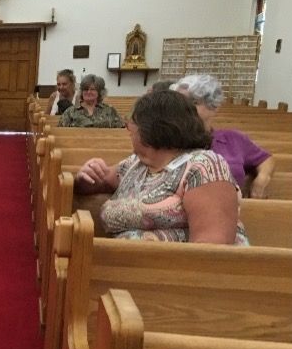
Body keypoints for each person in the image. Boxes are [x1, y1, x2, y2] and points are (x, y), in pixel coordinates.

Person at [75, 90, 248, 245]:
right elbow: (98, 181)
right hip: (125, 268)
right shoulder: (137, 163)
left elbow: (211, 251)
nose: (128, 128)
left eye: (132, 123)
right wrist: (85, 176)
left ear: (151, 128)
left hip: (171, 274)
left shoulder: (204, 166)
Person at [171, 74, 275, 198]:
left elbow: (265, 159)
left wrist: (262, 178)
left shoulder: (233, 139)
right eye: (181, 102)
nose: (185, 108)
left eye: (194, 102)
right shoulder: (167, 139)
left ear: (213, 106)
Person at [59, 74, 123, 128]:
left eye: (92, 89)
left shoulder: (109, 110)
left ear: (100, 92)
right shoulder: (70, 111)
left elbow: (121, 130)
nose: (88, 92)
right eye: (86, 89)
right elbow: (61, 132)